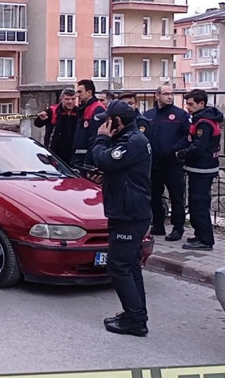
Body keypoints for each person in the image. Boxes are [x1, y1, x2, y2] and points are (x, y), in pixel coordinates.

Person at [92, 100, 152, 337]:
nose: (104, 126)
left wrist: (102, 139)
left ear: (118, 121)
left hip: (129, 214)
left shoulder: (133, 142)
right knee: (130, 266)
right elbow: (113, 167)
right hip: (129, 210)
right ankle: (136, 314)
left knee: (118, 267)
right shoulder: (130, 140)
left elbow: (104, 159)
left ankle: (136, 321)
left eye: (108, 121)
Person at [175, 89, 223, 251]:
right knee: (196, 204)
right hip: (200, 168)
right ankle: (200, 234)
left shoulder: (204, 123)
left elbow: (198, 147)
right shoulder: (202, 119)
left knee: (199, 205)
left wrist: (182, 153)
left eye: (191, 104)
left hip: (202, 169)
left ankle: (205, 240)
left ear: (201, 103)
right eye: (186, 103)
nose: (187, 107)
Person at [144, 85, 190, 240]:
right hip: (155, 164)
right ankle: (158, 226)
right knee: (154, 196)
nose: (170, 97)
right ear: (157, 96)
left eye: (171, 94)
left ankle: (178, 228)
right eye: (166, 94)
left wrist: (174, 149)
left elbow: (187, 136)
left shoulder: (180, 115)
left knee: (177, 197)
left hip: (173, 163)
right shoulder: (149, 115)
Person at [34, 88, 78, 163]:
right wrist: (40, 119)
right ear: (61, 99)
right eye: (67, 99)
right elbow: (37, 124)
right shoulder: (53, 111)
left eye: (73, 99)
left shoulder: (78, 112)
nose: (70, 102)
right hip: (54, 153)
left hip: (73, 153)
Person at [72, 79, 106, 174]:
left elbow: (94, 138)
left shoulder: (97, 109)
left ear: (89, 92)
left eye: (80, 92)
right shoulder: (84, 108)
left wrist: (88, 163)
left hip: (86, 160)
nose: (77, 95)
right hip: (79, 158)